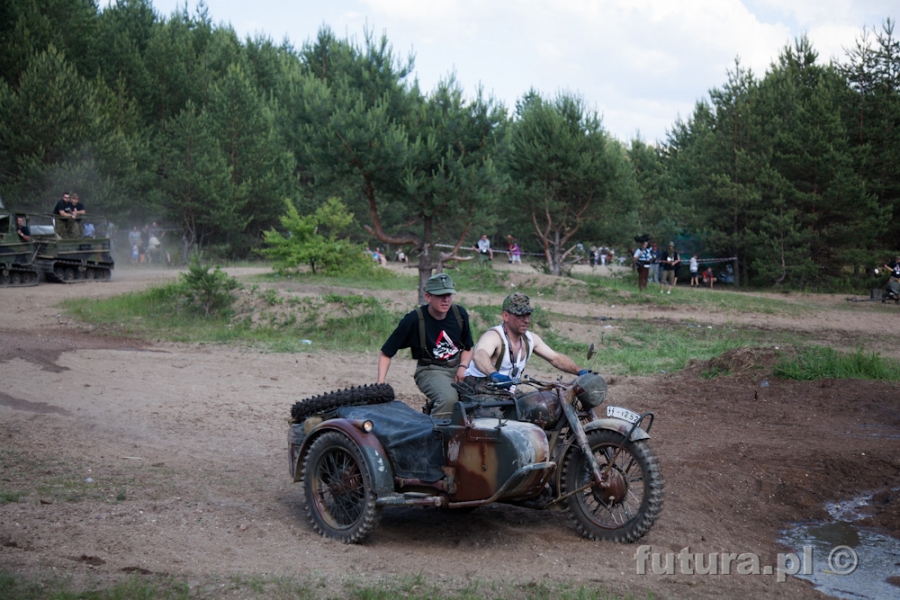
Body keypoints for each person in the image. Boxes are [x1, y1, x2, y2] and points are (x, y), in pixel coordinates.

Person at [377, 273, 474, 419]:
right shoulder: (414, 320)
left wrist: (463, 366)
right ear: (428, 297)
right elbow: (386, 352)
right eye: (440, 295)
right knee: (448, 399)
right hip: (431, 369)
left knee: (482, 393)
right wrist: (380, 383)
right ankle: (436, 437)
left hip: (459, 365)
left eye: (448, 295)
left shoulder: (459, 314)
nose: (446, 299)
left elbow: (468, 347)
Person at [465, 292, 587, 384]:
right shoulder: (494, 336)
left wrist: (579, 371)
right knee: (497, 417)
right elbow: (479, 354)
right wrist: (493, 373)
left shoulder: (531, 339)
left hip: (507, 391)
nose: (526, 320)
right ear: (505, 316)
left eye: (528, 315)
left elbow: (555, 358)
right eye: (520, 315)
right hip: (480, 388)